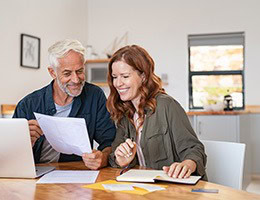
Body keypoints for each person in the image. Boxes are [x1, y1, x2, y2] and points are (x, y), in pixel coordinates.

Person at [107, 45, 207, 180]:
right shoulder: (125, 114)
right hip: (144, 187)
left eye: (125, 76)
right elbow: (113, 157)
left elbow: (195, 149)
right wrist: (121, 160)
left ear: (143, 76)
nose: (118, 83)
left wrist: (186, 165)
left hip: (174, 188)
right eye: (114, 77)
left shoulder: (166, 105)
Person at [13, 39, 116, 170]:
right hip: (36, 172)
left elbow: (109, 142)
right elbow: (10, 154)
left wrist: (103, 158)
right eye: (67, 73)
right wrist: (24, 141)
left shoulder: (94, 96)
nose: (75, 79)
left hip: (75, 174)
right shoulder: (28, 104)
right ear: (52, 72)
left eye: (79, 71)